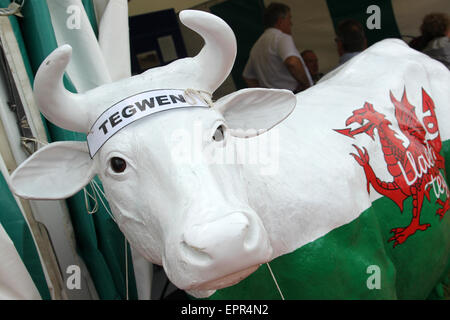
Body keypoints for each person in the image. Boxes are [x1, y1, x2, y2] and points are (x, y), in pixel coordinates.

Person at [242, 2, 312, 93]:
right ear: (280, 21)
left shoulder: (256, 46)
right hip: (294, 95)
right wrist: (307, 85)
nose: (291, 23)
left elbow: (247, 76)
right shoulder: (281, 37)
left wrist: (264, 95)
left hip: (275, 102)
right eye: (289, 18)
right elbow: (292, 62)